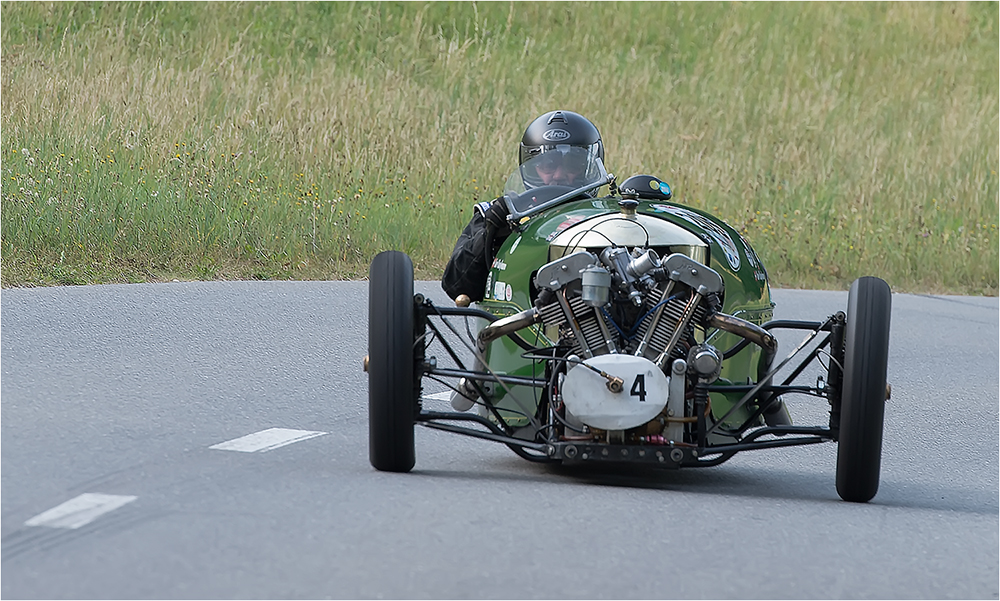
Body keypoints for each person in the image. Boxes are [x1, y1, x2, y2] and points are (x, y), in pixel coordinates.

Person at [441, 110, 605, 302]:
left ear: (588, 167)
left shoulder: (607, 217)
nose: (559, 175)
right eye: (548, 165)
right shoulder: (500, 214)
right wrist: (490, 233)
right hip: (516, 319)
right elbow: (456, 287)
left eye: (572, 165)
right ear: (531, 166)